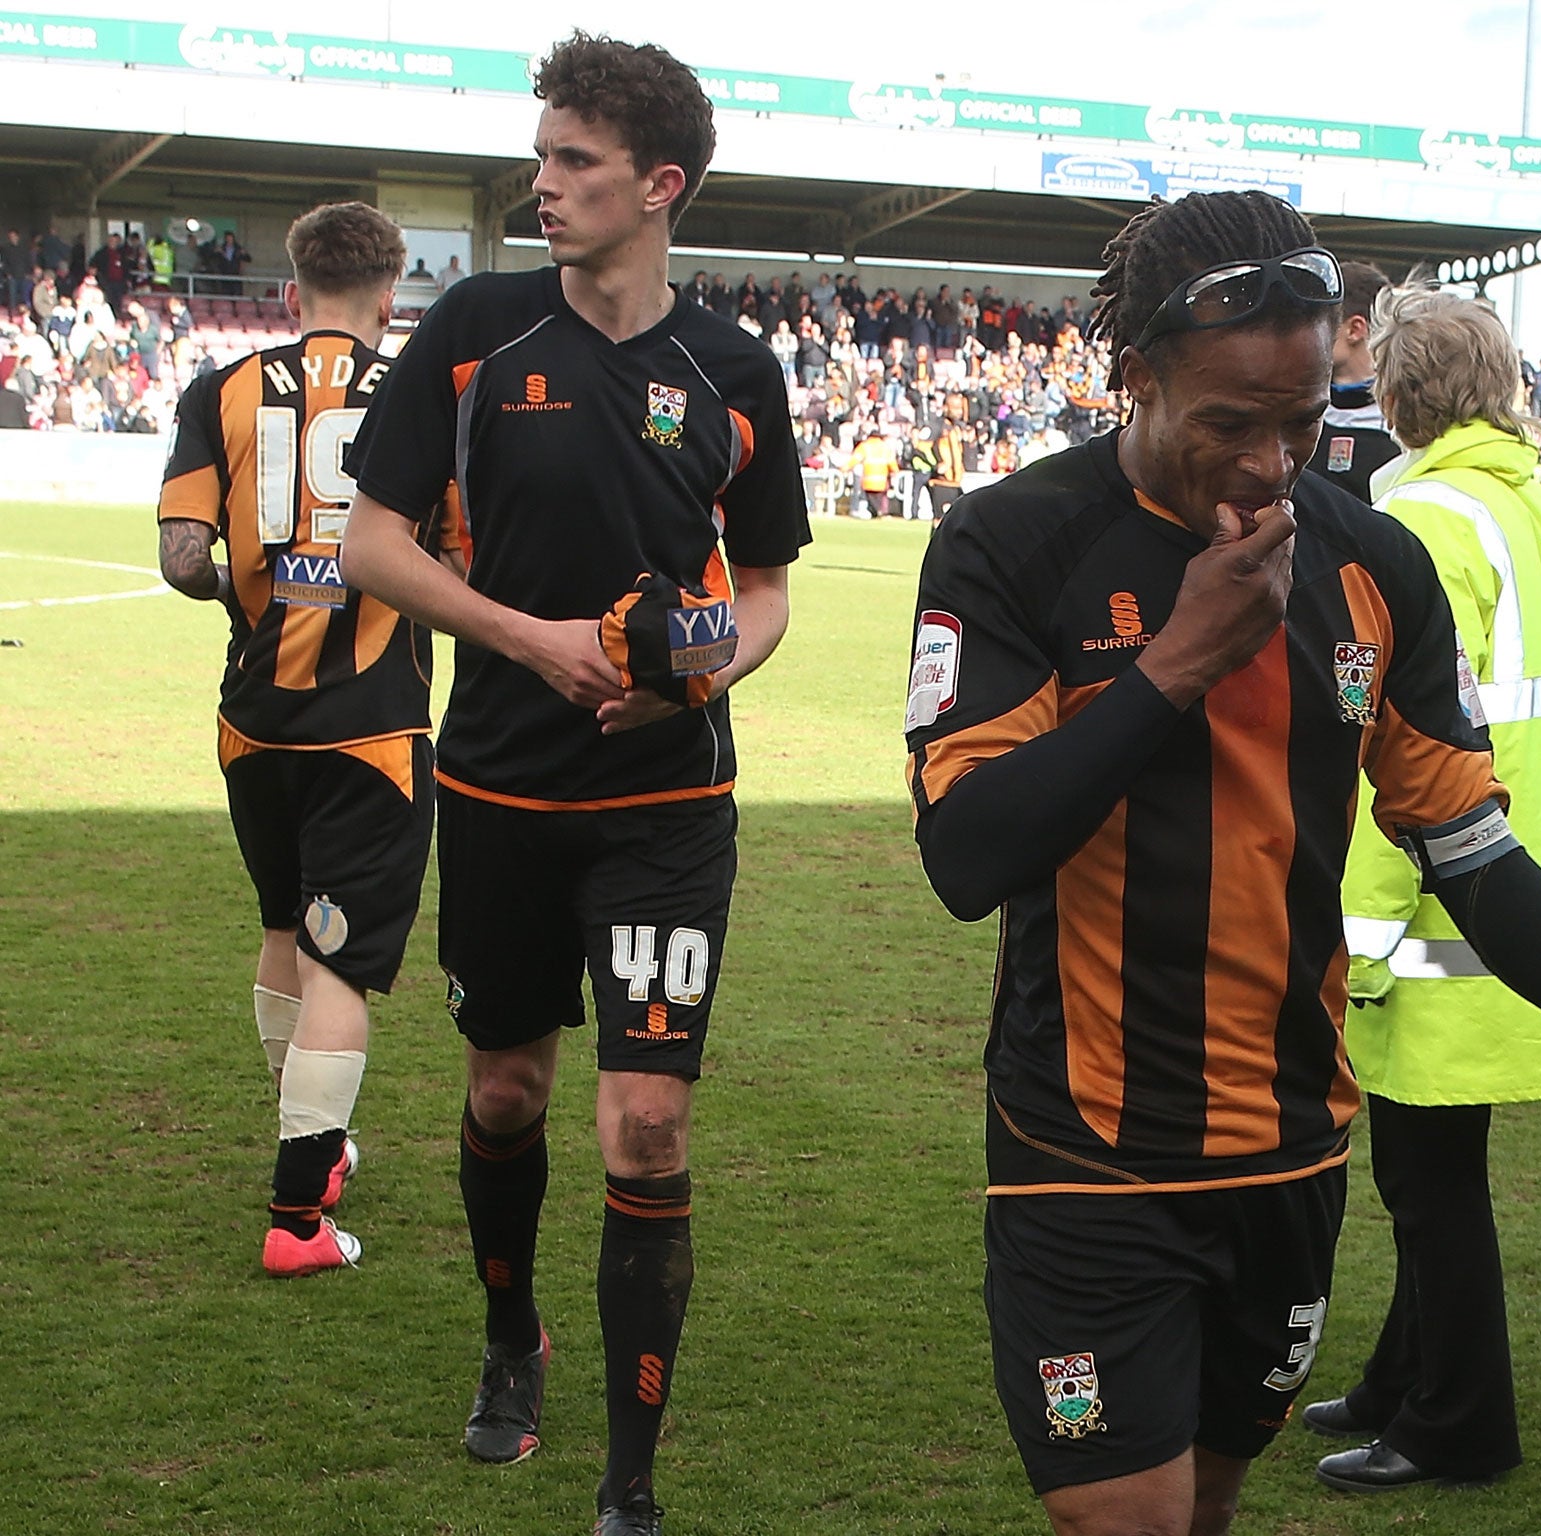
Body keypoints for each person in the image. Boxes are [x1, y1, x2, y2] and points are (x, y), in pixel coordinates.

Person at [902, 190, 1541, 1536]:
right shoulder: (1013, 544)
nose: (1272, 462)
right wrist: (1177, 664)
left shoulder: (1374, 564)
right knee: (1130, 1520)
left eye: (1301, 422)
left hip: (1289, 1149)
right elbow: (968, 849)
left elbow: (1465, 845)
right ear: (1136, 378)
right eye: (1231, 422)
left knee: (1210, 1506)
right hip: (1086, 1153)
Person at [338, 33, 808, 1535]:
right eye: (541, 157)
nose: (542, 185)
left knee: (647, 1126)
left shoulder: (735, 371)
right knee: (505, 1088)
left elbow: (773, 594)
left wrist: (704, 666)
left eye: (574, 163)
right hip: (497, 799)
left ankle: (631, 1484)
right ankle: (506, 1342)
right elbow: (372, 543)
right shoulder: (475, 329)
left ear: (658, 185)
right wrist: (529, 641)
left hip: (670, 814)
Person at [1299, 286, 1541, 1492]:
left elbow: (1396, 742)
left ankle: (1460, 1426)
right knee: (1436, 1166)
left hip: (1439, 903)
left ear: (1391, 393)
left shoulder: (1417, 517)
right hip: (1527, 886)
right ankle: (1400, 1385)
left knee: (1427, 1182)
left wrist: (1359, 935)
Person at [153, 201, 447, 1279]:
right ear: (388, 298)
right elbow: (460, 553)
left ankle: (315, 1149)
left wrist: (259, 603)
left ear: (291, 292)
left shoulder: (220, 389)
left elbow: (184, 555)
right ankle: (298, 1218)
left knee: (284, 925)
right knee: (343, 964)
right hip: (370, 729)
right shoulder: (421, 393)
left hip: (254, 720)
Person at [1307, 259, 1400, 501]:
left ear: (1354, 330)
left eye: (1318, 322)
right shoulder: (1300, 409)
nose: (1306, 334)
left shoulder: (1405, 421)